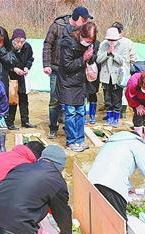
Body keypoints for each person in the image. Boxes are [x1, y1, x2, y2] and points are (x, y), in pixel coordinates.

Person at [88, 131, 145, 220]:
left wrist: (130, 188)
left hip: (91, 181)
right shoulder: (136, 143)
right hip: (112, 186)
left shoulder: (111, 143)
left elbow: (119, 169)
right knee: (118, 223)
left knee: (100, 218)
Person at [43, 6, 92, 139]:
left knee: (71, 102)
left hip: (73, 70)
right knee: (55, 100)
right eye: (83, 19)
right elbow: (47, 44)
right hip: (56, 68)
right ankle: (53, 127)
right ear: (76, 17)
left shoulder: (82, 30)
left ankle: (68, 127)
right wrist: (46, 64)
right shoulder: (57, 26)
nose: (85, 22)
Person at [56, 22, 97, 152]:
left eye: (91, 41)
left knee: (81, 112)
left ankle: (80, 140)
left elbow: (91, 60)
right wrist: (83, 58)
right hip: (68, 83)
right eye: (87, 40)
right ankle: (71, 141)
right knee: (71, 113)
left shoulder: (90, 44)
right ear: (81, 34)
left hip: (81, 83)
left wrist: (90, 57)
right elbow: (67, 66)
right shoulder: (68, 44)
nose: (88, 42)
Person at [97, 27, 129, 127]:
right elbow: (98, 59)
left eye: (114, 40)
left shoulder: (123, 45)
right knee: (107, 98)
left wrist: (114, 53)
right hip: (106, 76)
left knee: (117, 98)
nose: (111, 42)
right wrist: (107, 53)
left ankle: (116, 118)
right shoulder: (103, 45)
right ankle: (109, 117)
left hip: (117, 76)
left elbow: (124, 60)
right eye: (110, 40)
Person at [7, 28, 36, 130]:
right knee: (12, 99)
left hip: (22, 76)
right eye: (17, 42)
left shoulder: (27, 47)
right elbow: (4, 61)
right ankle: (10, 122)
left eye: (22, 42)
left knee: (24, 98)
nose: (19, 44)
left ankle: (25, 121)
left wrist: (27, 67)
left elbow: (30, 58)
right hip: (11, 76)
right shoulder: (7, 47)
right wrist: (13, 69)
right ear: (13, 40)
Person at [111, 22, 137, 119]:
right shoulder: (128, 42)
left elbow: (133, 58)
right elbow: (134, 58)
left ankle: (118, 112)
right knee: (122, 91)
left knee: (115, 91)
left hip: (118, 70)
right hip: (124, 69)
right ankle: (121, 112)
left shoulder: (125, 42)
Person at [87, 39, 101, 124]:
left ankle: (92, 114)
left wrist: (91, 56)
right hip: (83, 70)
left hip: (94, 72)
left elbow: (99, 57)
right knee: (83, 94)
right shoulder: (82, 42)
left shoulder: (98, 44)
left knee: (93, 93)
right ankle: (84, 114)